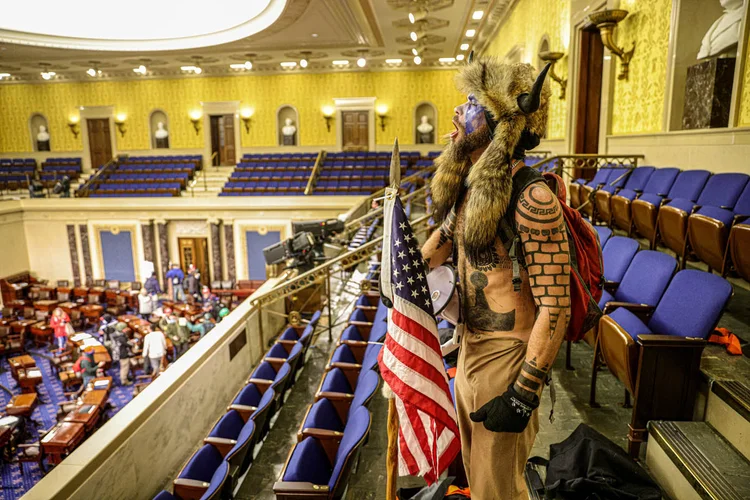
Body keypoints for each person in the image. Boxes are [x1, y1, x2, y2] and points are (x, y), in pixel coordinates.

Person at [421, 56, 569, 499]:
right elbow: (442, 242)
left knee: (498, 488)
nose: (457, 113)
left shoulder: (533, 198)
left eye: (470, 102)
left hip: (508, 358)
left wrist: (524, 391)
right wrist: (402, 273)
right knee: (476, 473)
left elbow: (555, 305)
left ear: (500, 117)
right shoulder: (474, 189)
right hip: (469, 345)